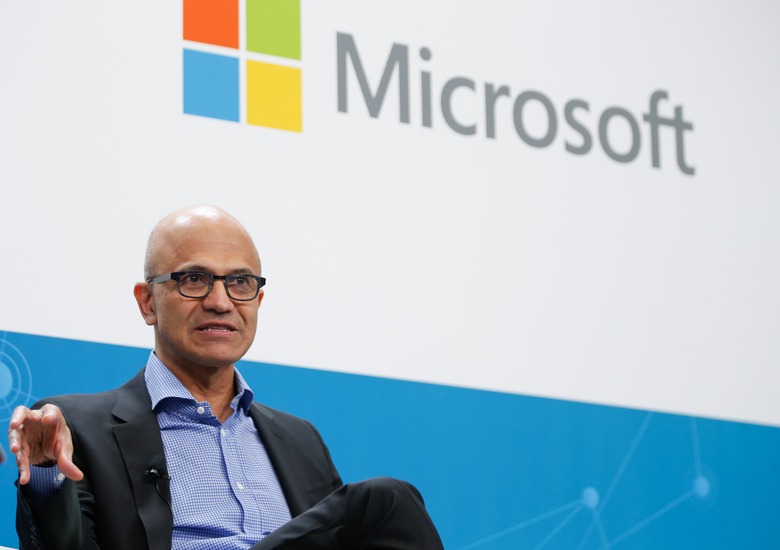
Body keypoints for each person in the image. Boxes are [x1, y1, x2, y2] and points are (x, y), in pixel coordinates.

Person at [8, 205, 444, 550]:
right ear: (147, 303)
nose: (220, 301)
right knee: (384, 501)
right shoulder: (79, 426)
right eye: (194, 279)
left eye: (240, 282)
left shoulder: (300, 441)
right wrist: (47, 474)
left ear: (258, 301)